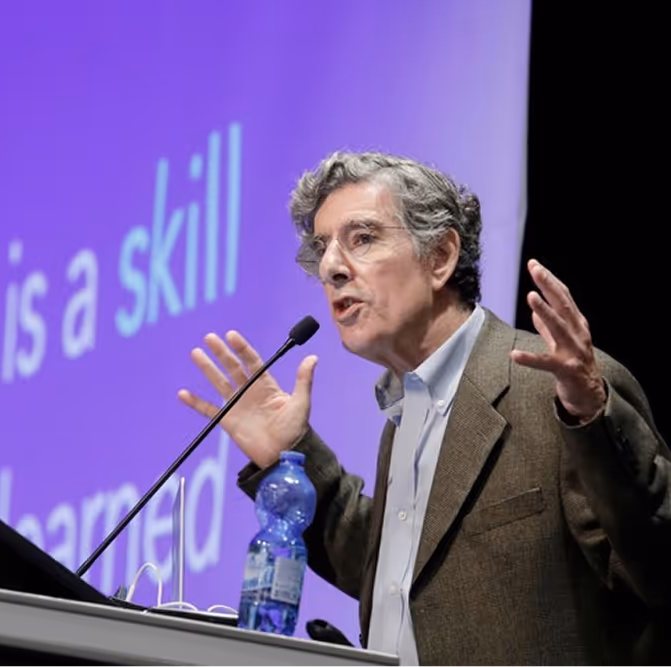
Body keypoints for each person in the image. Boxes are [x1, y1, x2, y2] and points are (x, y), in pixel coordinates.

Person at [177, 152, 670, 666]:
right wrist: (289, 457)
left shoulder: (553, 390)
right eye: (322, 248)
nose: (330, 267)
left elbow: (657, 570)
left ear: (440, 257)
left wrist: (593, 414)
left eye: (362, 238)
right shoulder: (406, 414)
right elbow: (412, 578)